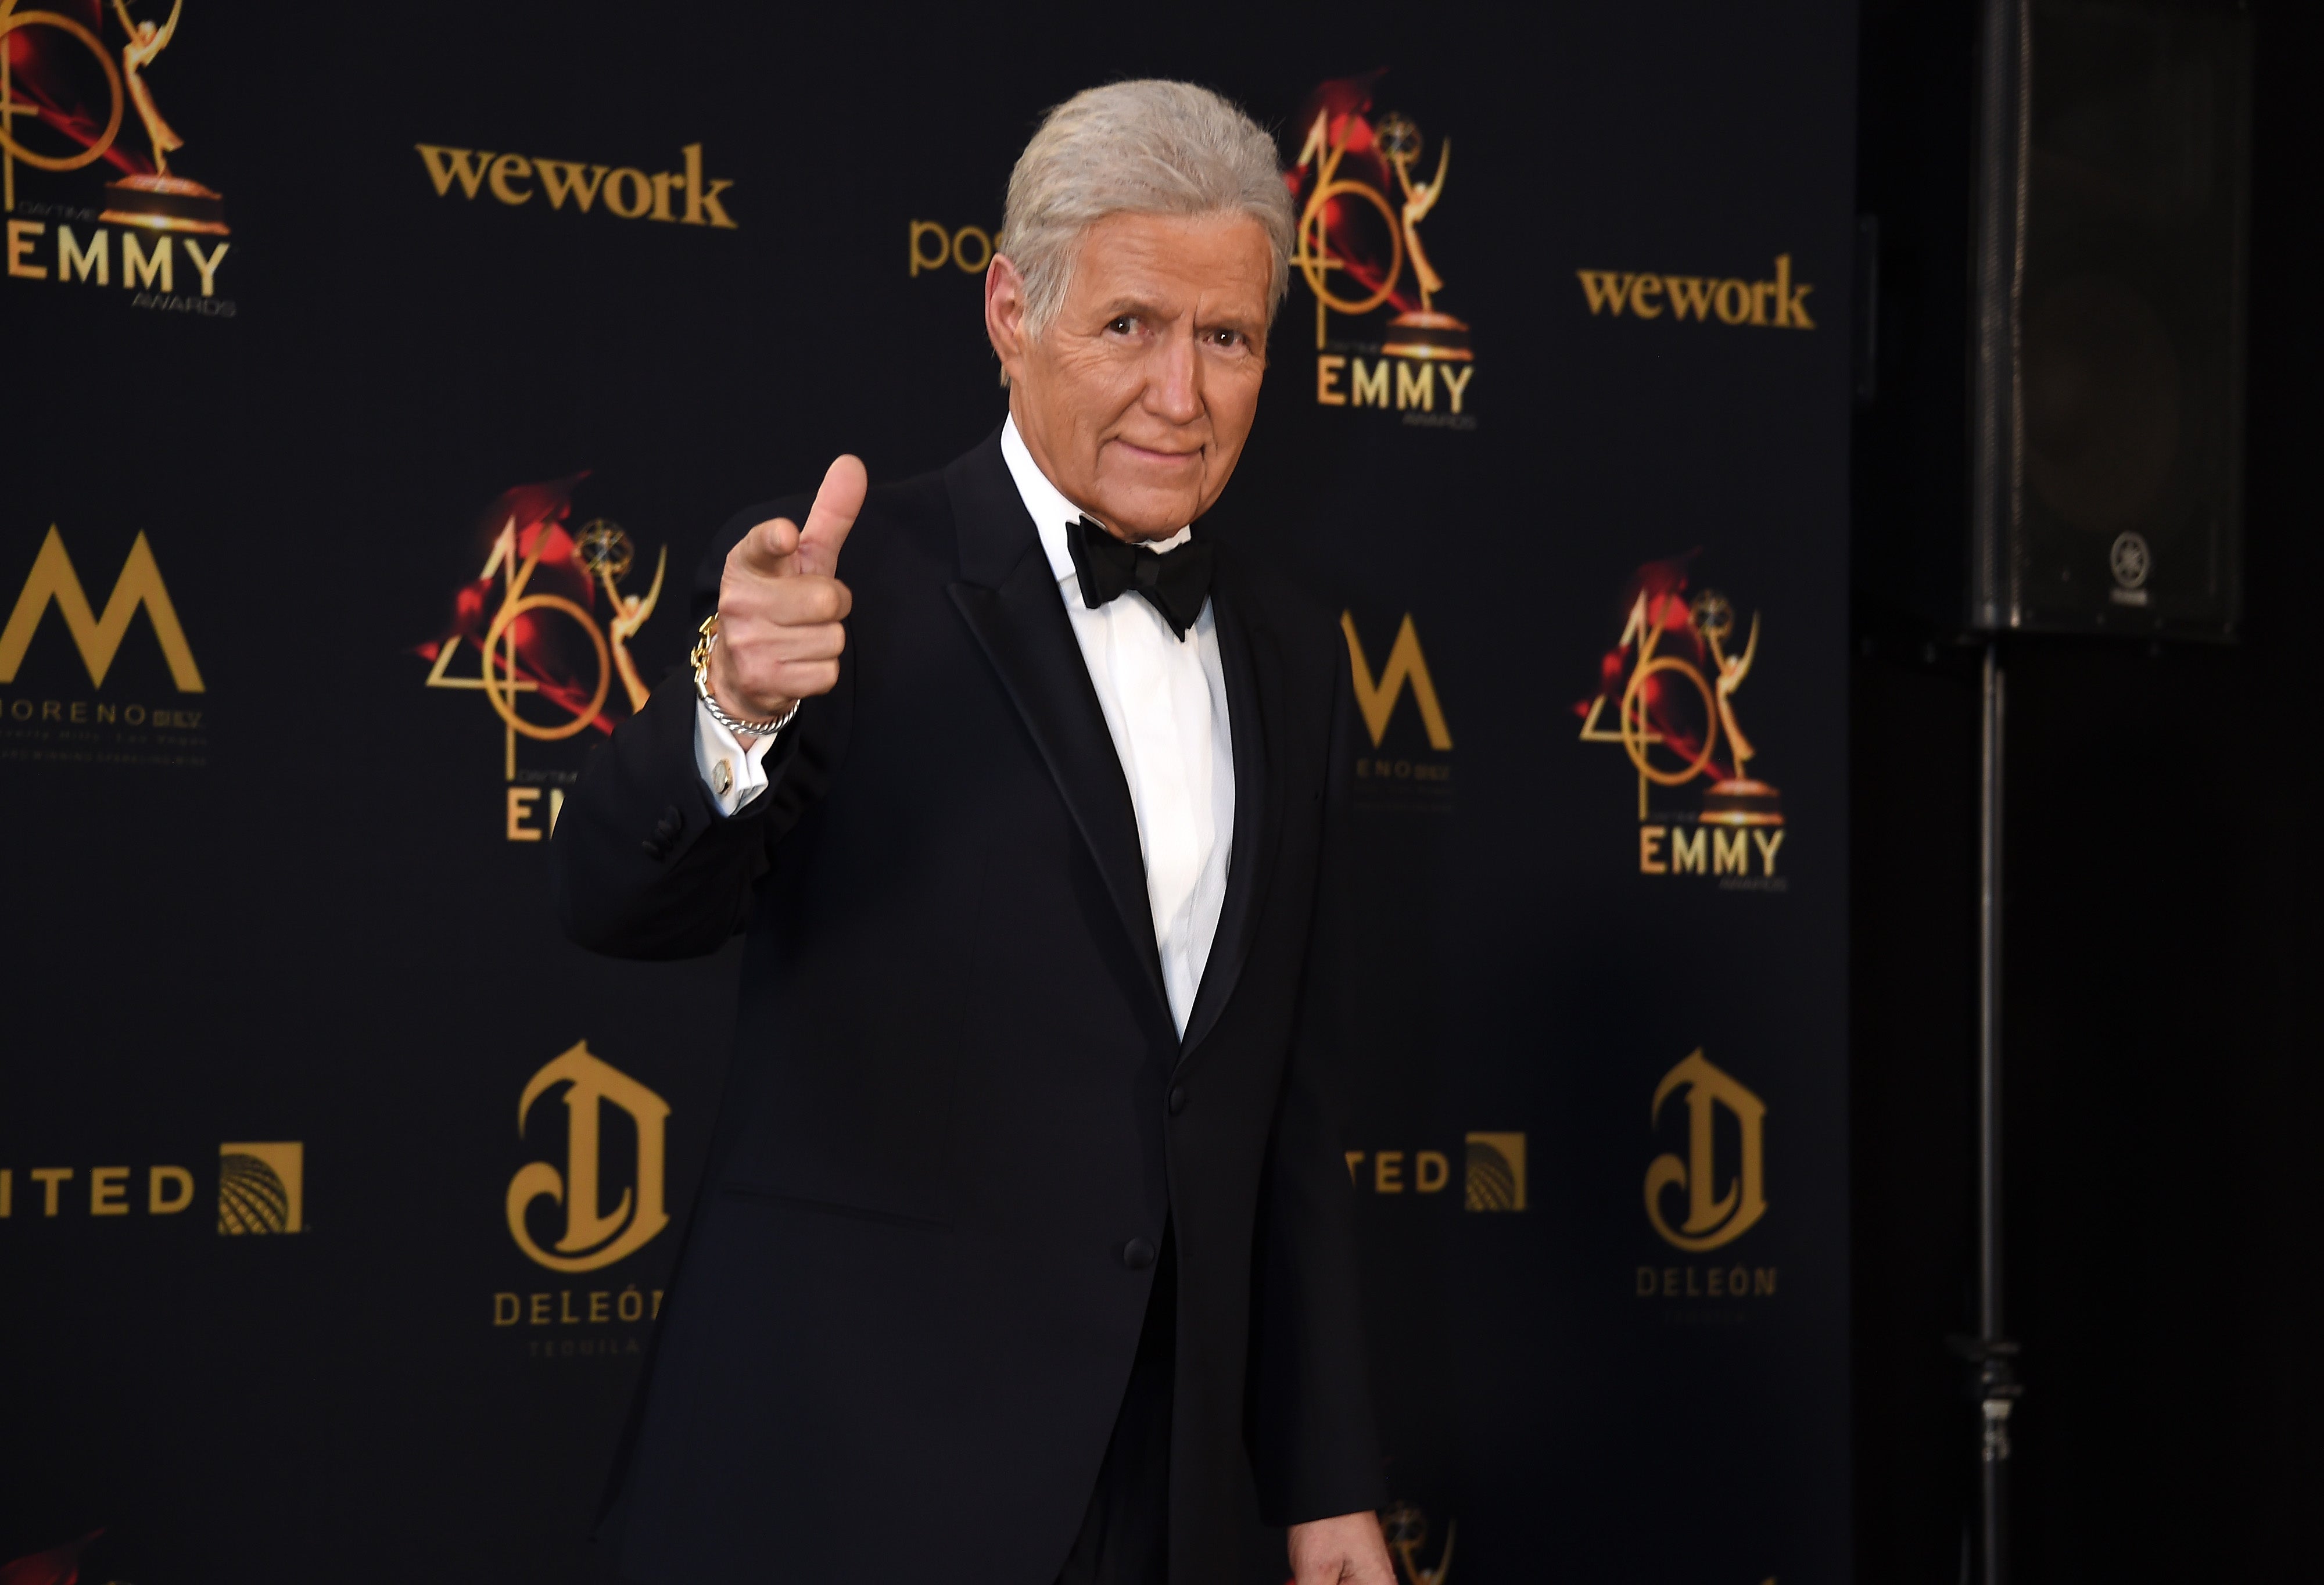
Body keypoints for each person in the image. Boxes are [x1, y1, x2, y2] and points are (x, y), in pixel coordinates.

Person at [552, 79, 1393, 1585]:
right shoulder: (838, 592)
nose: (1183, 396)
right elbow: (619, 898)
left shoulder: (1296, 651)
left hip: (1163, 1495)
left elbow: (1291, 1117)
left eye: (1230, 338)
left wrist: (1325, 1480)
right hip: (848, 1486)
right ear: (1013, 308)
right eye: (1131, 325)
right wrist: (730, 705)